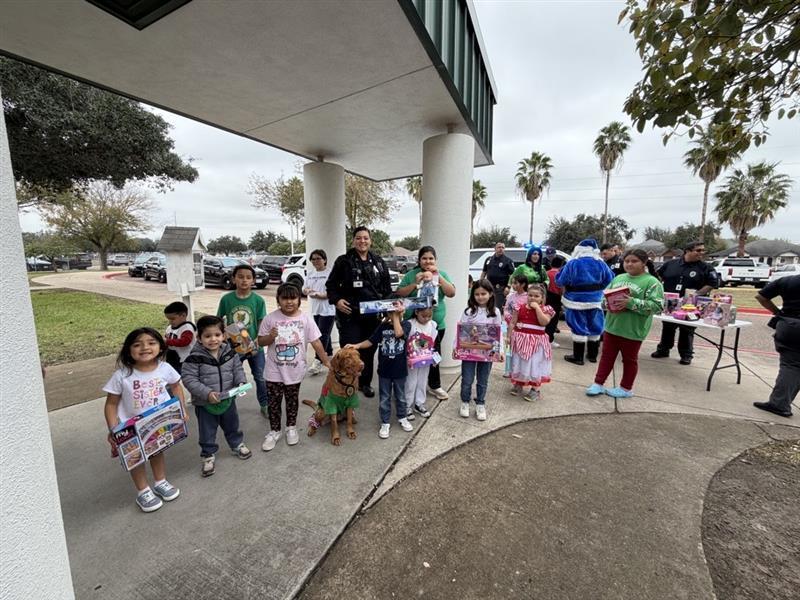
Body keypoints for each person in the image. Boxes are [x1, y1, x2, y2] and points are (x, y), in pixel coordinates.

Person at [103, 328, 187, 513]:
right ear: (128, 349)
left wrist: (180, 409)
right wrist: (113, 428)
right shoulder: (122, 375)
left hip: (159, 422)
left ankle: (160, 482)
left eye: (151, 343)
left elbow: (176, 387)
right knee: (136, 458)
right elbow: (111, 404)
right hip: (131, 428)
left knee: (157, 450)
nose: (145, 347)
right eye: (137, 344)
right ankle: (143, 491)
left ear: (160, 346)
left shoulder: (165, 368)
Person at [258, 283, 331, 450]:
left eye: (293, 298)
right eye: (284, 298)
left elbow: (316, 342)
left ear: (299, 299)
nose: (289, 302)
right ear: (278, 300)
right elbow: (260, 341)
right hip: (273, 370)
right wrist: (271, 336)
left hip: (295, 370)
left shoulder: (305, 319)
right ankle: (274, 431)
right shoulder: (270, 318)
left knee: (292, 401)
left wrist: (326, 361)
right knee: (274, 403)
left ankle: (291, 428)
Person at [586, 249, 664, 398]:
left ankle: (626, 388)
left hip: (633, 330)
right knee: (606, 357)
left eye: (634, 261)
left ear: (644, 263)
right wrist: (606, 304)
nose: (629, 264)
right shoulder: (618, 277)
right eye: (627, 261)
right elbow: (604, 297)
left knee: (629, 360)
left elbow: (657, 306)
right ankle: (598, 383)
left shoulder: (652, 282)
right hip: (612, 326)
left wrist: (631, 302)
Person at [181, 316, 252, 477]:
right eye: (207, 336)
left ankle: (236, 444)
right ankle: (208, 454)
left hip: (227, 398)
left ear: (224, 335)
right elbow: (189, 379)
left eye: (217, 335)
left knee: (232, 424)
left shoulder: (230, 353)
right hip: (205, 403)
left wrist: (241, 382)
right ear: (199, 338)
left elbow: (237, 370)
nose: (213, 339)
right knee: (207, 430)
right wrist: (207, 393)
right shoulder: (194, 358)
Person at [326, 227, 392, 398]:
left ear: (370, 240)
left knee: (369, 351)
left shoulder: (378, 262)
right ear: (353, 241)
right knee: (349, 352)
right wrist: (337, 301)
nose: (362, 241)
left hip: (373, 317)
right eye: (358, 238)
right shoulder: (343, 261)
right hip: (350, 316)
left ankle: (365, 383)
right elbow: (330, 286)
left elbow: (386, 289)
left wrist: (387, 309)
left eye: (365, 238)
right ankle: (346, 384)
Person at [395, 245, 456, 400]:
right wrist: (415, 284)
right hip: (414, 327)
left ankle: (434, 385)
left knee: (433, 355)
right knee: (412, 355)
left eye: (431, 258)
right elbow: (400, 293)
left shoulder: (442, 274)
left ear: (435, 260)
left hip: (435, 326)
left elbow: (451, 293)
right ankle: (407, 387)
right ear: (419, 260)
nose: (427, 261)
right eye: (424, 258)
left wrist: (438, 277)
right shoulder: (411, 274)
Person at [347, 302, 414, 439]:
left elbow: (399, 333)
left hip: (400, 370)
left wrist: (395, 317)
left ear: (402, 312)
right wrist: (357, 345)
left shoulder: (406, 325)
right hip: (384, 371)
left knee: (400, 397)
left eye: (396, 311)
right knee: (384, 398)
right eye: (390, 312)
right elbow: (371, 341)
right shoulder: (382, 327)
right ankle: (385, 422)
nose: (393, 314)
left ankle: (402, 417)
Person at [651, 240, 718, 365]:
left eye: (703, 250)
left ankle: (686, 354)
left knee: (687, 330)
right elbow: (657, 277)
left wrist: (696, 294)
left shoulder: (706, 268)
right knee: (668, 327)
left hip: (691, 305)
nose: (701, 253)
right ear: (687, 251)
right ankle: (663, 349)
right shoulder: (670, 264)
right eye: (698, 250)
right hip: (670, 303)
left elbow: (712, 284)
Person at [217, 264, 269, 416]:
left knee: (260, 377)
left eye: (248, 277)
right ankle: (228, 405)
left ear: (253, 280)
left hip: (254, 346)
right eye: (240, 277)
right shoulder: (226, 299)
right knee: (230, 377)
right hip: (233, 348)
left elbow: (261, 322)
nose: (244, 280)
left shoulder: (258, 300)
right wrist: (222, 336)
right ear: (233, 279)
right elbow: (220, 320)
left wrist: (257, 342)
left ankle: (265, 404)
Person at [556, 239, 615, 365]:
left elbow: (560, 281)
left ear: (578, 249)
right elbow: (610, 279)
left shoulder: (573, 263)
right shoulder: (601, 263)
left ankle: (578, 357)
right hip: (595, 301)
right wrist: (597, 289)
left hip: (575, 300)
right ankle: (592, 356)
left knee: (578, 326)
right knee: (595, 326)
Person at [753, 274, 800, 418]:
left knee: (791, 365)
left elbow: (761, 297)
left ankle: (779, 404)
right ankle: (782, 401)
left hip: (791, 324)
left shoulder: (788, 280)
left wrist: (777, 312)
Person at [459, 279, 503, 421]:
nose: (480, 297)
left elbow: (498, 333)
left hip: (487, 353)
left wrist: (499, 350)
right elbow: (461, 331)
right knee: (467, 379)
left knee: (483, 380)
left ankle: (480, 403)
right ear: (473, 295)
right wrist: (457, 347)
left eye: (483, 293)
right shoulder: (468, 311)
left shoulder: (495, 312)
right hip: (470, 352)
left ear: (490, 294)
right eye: (477, 294)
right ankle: (465, 401)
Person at [509, 283, 555, 401]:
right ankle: (519, 384)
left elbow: (544, 322)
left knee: (534, 364)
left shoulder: (546, 309)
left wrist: (537, 308)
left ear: (542, 298)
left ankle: (535, 389)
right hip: (520, 340)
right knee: (519, 362)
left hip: (536, 343)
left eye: (536, 296)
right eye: (530, 295)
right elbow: (513, 322)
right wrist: (509, 336)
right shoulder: (519, 307)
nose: (532, 298)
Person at [303, 248, 335, 375]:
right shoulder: (310, 274)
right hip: (316, 309)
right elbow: (304, 287)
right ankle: (330, 352)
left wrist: (322, 295)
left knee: (321, 335)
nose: (316, 261)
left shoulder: (330, 273)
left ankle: (318, 360)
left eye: (319, 258)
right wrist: (306, 291)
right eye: (313, 259)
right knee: (322, 333)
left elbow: (333, 291)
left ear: (325, 260)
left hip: (328, 309)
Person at [403, 306, 438, 420]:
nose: (427, 318)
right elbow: (405, 342)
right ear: (416, 312)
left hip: (426, 358)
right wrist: (406, 356)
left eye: (429, 316)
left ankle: (419, 403)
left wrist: (435, 358)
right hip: (412, 358)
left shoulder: (432, 325)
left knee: (422, 380)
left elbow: (433, 343)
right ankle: (407, 405)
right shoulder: (410, 324)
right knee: (410, 381)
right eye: (424, 316)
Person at [502, 274, 529, 377]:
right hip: (509, 326)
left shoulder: (528, 297)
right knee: (508, 347)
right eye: (512, 283)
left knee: (520, 349)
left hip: (522, 327)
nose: (513, 285)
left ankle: (519, 370)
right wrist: (509, 318)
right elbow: (506, 309)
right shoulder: (510, 296)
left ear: (523, 284)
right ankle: (508, 369)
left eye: (515, 283)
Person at [163, 301, 196, 375]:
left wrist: (167, 341)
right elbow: (166, 338)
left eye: (173, 319)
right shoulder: (169, 328)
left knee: (183, 375)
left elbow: (185, 342)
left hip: (185, 359)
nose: (170, 321)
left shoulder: (187, 328)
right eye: (169, 319)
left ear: (183, 315)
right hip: (172, 357)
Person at [480, 242, 516, 310]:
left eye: (503, 247)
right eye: (499, 247)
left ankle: (496, 320)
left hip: (500, 288)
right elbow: (484, 272)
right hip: (488, 287)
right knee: (486, 306)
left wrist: (508, 287)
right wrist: (480, 283)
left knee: (496, 308)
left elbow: (512, 275)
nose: (501, 249)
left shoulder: (508, 261)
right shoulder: (489, 259)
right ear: (495, 249)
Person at [545, 256, 565, 346]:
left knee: (545, 318)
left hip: (546, 297)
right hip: (556, 298)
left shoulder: (546, 273)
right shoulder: (560, 274)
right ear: (561, 265)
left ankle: (544, 337)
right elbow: (562, 290)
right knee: (553, 320)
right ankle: (550, 339)